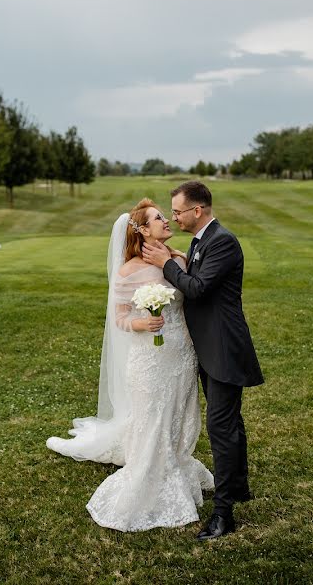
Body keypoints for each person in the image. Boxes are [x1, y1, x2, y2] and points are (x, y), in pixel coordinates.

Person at [46, 198, 214, 532]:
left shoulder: (179, 259)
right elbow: (119, 317)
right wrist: (141, 324)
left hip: (181, 356)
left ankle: (176, 466)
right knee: (151, 418)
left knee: (180, 416)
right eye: (158, 218)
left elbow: (193, 298)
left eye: (167, 216)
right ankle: (148, 481)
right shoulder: (128, 271)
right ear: (142, 231)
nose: (167, 220)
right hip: (149, 360)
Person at [142, 180, 264, 540]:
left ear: (198, 211)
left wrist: (165, 262)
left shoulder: (222, 241)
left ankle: (224, 515)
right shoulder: (201, 242)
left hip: (224, 348)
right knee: (229, 422)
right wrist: (176, 257)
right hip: (210, 348)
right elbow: (194, 275)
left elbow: (196, 287)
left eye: (178, 211)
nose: (174, 217)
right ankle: (239, 488)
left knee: (221, 429)